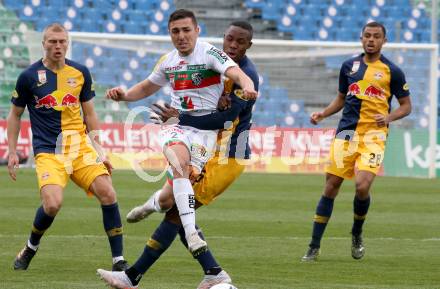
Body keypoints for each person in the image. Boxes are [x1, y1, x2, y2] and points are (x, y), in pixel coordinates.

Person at [97, 21, 258, 289]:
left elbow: (225, 119)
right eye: (229, 39)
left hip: (227, 156)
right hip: (202, 147)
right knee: (177, 202)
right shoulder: (213, 61)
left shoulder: (245, 73)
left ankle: (133, 276)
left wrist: (179, 117)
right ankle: (211, 271)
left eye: (239, 42)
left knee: (177, 214)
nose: (232, 45)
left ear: (248, 46)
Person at [7, 23, 128, 271]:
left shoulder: (80, 72)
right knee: (52, 203)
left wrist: (100, 151)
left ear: (67, 43)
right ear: (44, 44)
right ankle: (31, 246)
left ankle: (118, 262)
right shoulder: (29, 77)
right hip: (49, 151)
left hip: (80, 148)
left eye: (62, 41)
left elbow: (91, 114)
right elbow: (15, 115)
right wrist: (11, 151)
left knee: (108, 193)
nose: (58, 46)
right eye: (53, 41)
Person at [301, 21, 411, 261]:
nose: (371, 40)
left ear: (384, 41)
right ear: (361, 39)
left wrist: (389, 116)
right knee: (331, 187)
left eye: (376, 36)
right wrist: (323, 114)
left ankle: (357, 232)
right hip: (346, 133)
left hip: (374, 135)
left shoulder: (393, 71)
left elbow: (406, 106)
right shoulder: (348, 66)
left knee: (362, 186)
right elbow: (341, 98)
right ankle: (313, 246)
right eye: (367, 36)